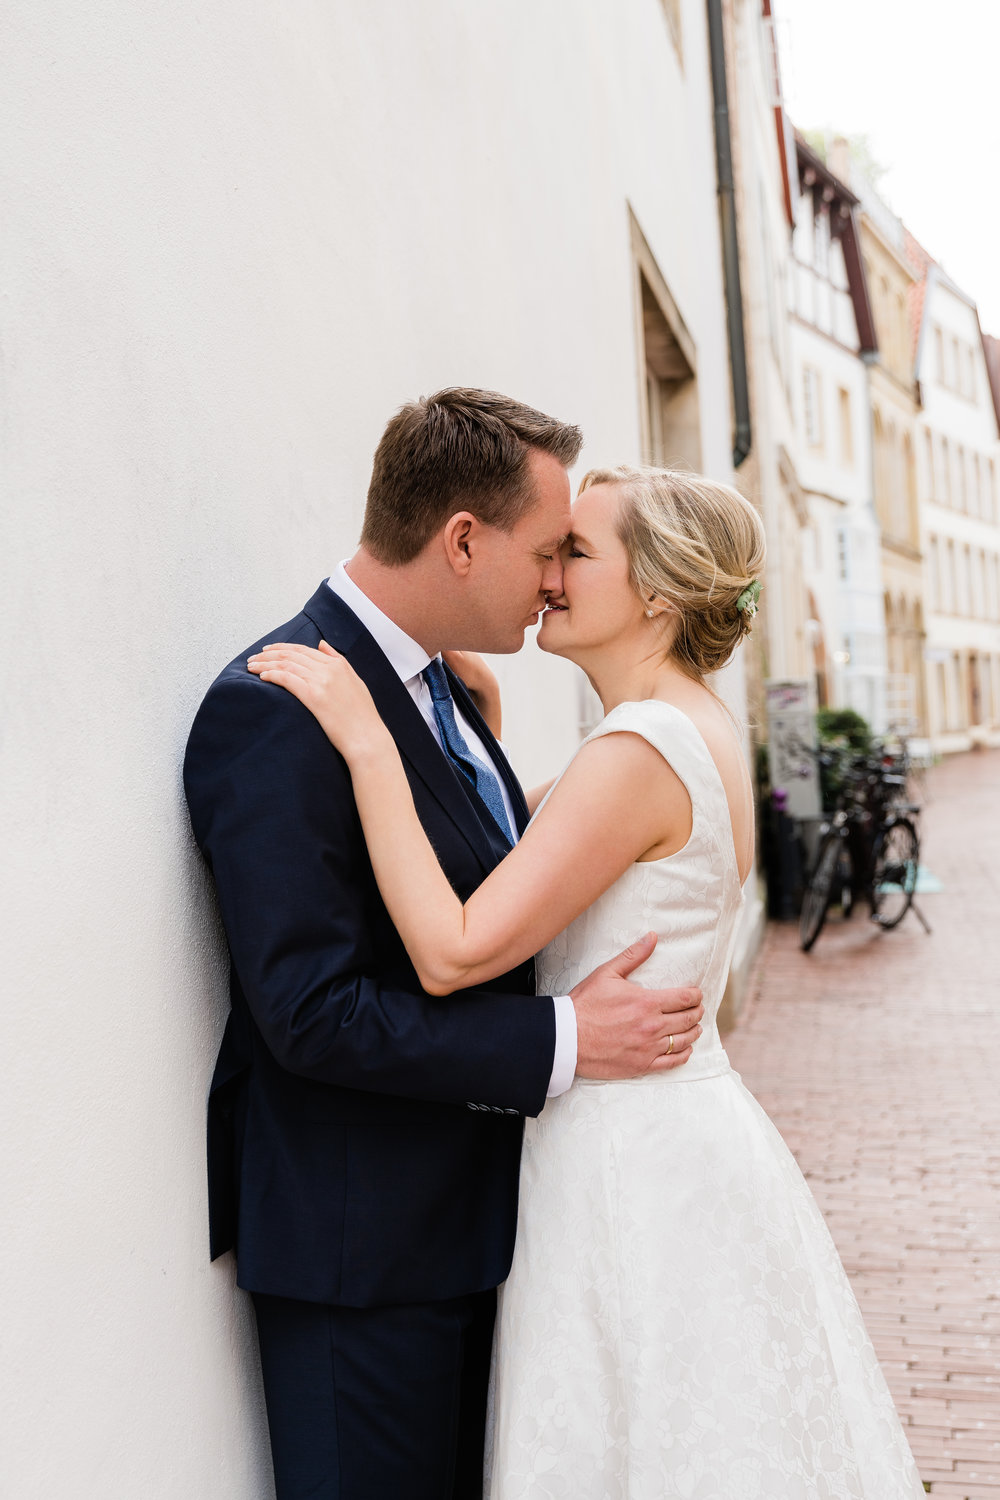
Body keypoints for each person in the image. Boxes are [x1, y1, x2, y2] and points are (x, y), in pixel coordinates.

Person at [251, 463, 926, 1498]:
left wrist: (370, 742)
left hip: (626, 1164)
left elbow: (455, 947)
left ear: (654, 592)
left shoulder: (638, 747)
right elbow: (541, 853)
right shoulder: (687, 724)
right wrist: (461, 734)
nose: (551, 573)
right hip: (681, 1137)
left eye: (577, 551)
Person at [183, 391, 705, 1500]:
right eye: (545, 549)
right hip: (359, 1260)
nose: (555, 579)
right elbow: (313, 1015)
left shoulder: (446, 692)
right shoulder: (278, 706)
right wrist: (562, 1041)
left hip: (479, 1238)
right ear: (463, 539)